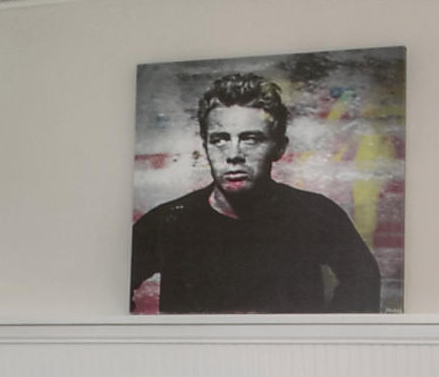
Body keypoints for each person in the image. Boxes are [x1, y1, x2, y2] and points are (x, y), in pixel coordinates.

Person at [131, 74, 382, 313]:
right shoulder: (167, 222)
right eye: (219, 139)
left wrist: (322, 339)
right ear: (204, 147)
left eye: (250, 138)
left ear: (279, 148)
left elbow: (364, 279)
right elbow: (107, 289)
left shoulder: (316, 214)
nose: (233, 154)